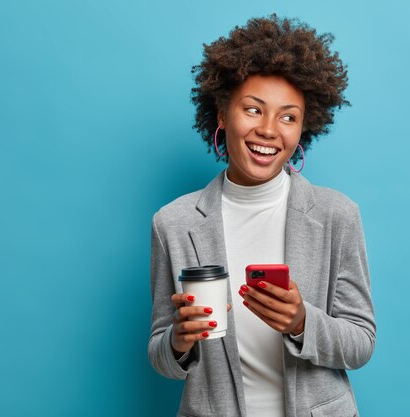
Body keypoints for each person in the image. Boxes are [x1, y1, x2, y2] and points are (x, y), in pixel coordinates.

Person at [148, 14, 376, 417]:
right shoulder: (174, 222)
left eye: (288, 117)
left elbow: (360, 343)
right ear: (222, 114)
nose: (270, 130)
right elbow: (160, 355)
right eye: (253, 110)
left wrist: (303, 321)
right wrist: (178, 342)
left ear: (303, 129)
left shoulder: (337, 215)